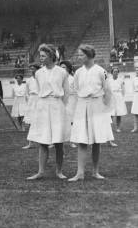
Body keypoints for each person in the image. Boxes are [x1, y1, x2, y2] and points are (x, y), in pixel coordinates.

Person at [68, 45, 115, 182]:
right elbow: (75, 90)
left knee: (96, 141)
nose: (78, 57)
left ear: (88, 55)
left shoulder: (101, 71)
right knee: (82, 140)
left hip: (97, 106)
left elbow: (107, 91)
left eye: (81, 55)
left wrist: (104, 110)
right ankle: (80, 173)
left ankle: (95, 171)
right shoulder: (78, 72)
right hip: (82, 106)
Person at [26, 44, 70, 180]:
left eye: (43, 56)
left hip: (57, 106)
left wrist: (60, 106)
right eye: (40, 56)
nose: (41, 58)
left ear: (51, 56)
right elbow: (40, 91)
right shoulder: (38, 73)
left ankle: (59, 171)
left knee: (58, 142)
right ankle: (40, 171)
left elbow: (66, 93)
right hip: (43, 107)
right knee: (42, 141)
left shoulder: (62, 72)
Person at [22, 64, 40, 149]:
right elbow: (26, 92)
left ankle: (47, 142)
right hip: (32, 101)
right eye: (31, 69)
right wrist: (29, 100)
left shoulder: (41, 79)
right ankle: (30, 143)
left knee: (42, 121)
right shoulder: (28, 80)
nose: (32, 71)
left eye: (34, 69)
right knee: (30, 122)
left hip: (40, 100)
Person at [108, 67, 127, 133]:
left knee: (119, 113)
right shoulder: (109, 80)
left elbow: (123, 90)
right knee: (111, 114)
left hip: (119, 97)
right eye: (114, 72)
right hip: (111, 97)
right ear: (112, 73)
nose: (115, 73)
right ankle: (109, 128)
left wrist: (121, 97)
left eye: (116, 72)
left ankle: (118, 128)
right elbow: (107, 90)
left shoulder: (121, 80)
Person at [131, 65, 138, 133]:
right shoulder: (134, 79)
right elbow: (133, 88)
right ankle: (135, 128)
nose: (137, 71)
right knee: (135, 113)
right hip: (136, 96)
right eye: (136, 70)